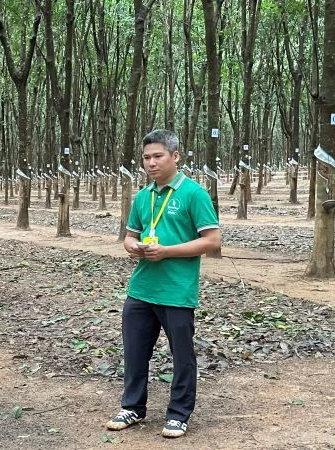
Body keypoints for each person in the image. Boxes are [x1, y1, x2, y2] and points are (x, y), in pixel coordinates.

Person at [105, 129, 221, 438]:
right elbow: (131, 235)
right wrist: (131, 246)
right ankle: (132, 407)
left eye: (158, 156)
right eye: (146, 158)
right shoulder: (143, 197)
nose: (151, 163)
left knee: (182, 356)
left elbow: (212, 240)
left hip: (177, 291)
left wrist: (167, 252)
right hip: (141, 289)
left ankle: (179, 413)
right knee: (134, 352)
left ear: (176, 156)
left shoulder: (193, 194)